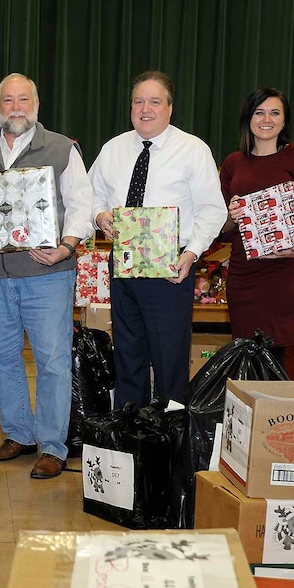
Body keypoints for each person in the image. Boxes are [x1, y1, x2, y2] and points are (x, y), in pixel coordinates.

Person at [0, 73, 93, 480]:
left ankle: (52, 445)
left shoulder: (63, 149)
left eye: (23, 99)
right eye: (8, 100)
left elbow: (81, 205)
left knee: (51, 360)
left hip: (48, 273)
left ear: (37, 104)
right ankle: (18, 433)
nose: (16, 107)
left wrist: (65, 247)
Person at [90, 70, 226, 406]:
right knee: (127, 352)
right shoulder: (113, 149)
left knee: (169, 358)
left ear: (169, 108)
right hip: (123, 263)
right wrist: (99, 215)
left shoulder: (192, 150)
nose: (145, 109)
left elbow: (213, 209)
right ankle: (131, 430)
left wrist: (192, 253)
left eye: (154, 101)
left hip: (171, 267)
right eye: (138, 101)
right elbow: (90, 195)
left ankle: (171, 433)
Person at [221, 87, 294, 366]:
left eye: (274, 112)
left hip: (285, 275)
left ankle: (272, 410)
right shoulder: (233, 163)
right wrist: (232, 213)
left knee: (277, 353)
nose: (266, 118)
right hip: (244, 275)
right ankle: (246, 409)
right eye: (259, 112)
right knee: (243, 351)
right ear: (249, 118)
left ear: (284, 120)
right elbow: (223, 226)